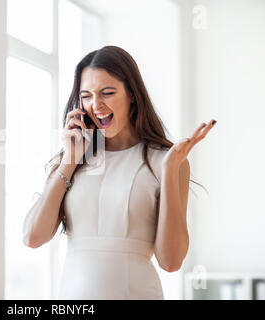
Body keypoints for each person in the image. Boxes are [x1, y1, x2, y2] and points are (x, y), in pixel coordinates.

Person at [22, 45, 216, 300]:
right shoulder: (72, 159)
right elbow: (32, 237)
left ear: (132, 94)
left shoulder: (166, 161)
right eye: (86, 96)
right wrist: (69, 162)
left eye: (107, 93)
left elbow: (170, 261)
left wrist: (169, 170)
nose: (96, 105)